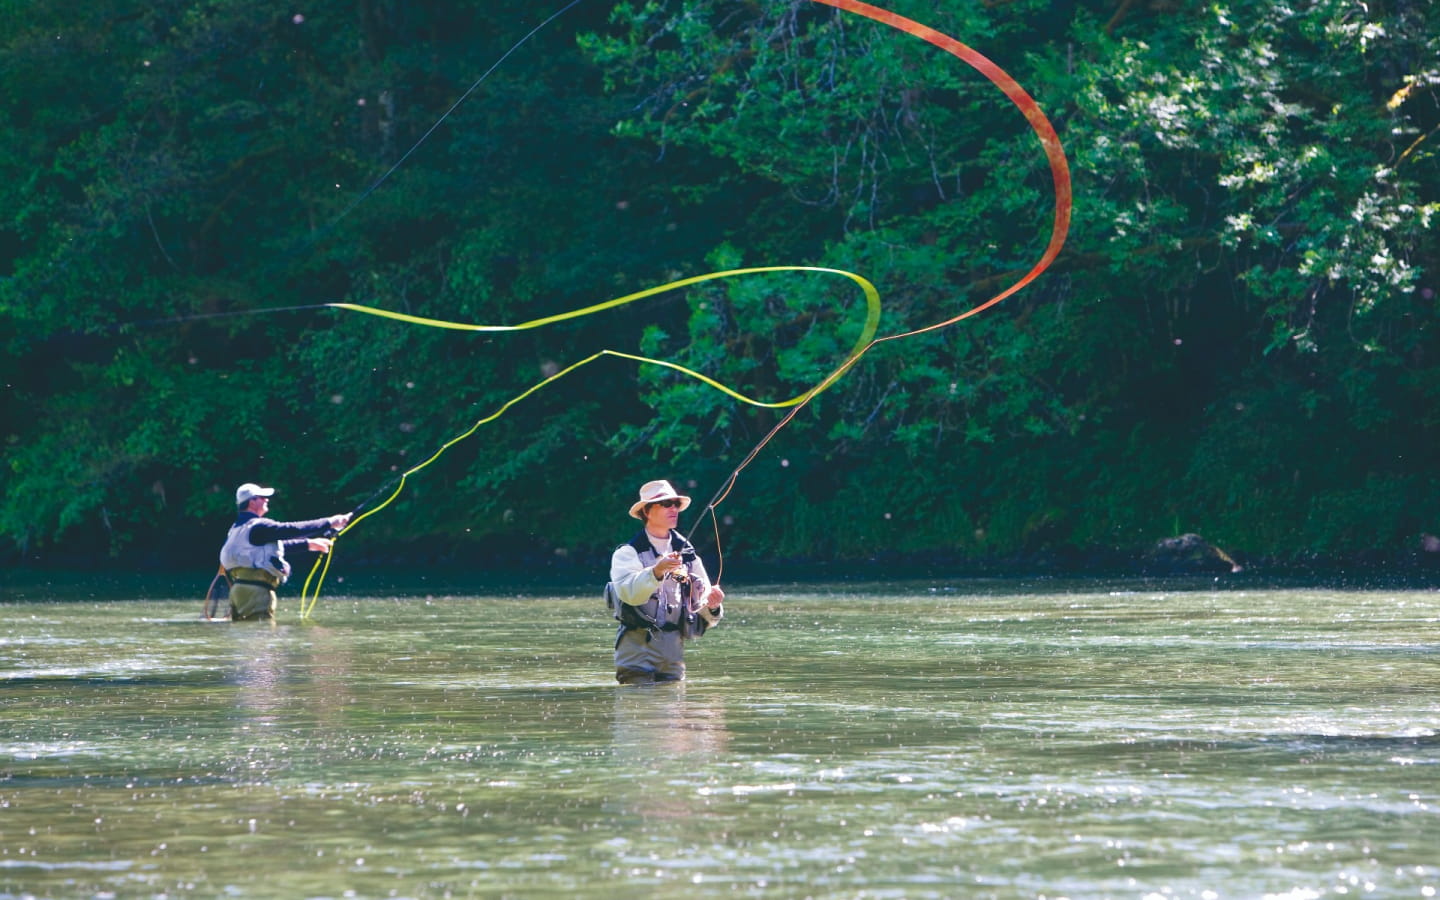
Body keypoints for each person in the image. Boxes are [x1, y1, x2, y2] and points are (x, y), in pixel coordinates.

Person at [607, 479, 725, 684]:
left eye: (676, 504)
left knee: (673, 710)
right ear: (646, 511)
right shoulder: (626, 553)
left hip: (673, 653)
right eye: (666, 504)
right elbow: (629, 594)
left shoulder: (688, 554)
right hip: (636, 651)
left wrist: (714, 606)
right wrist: (656, 572)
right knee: (640, 711)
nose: (674, 509)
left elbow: (704, 609)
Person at [219, 483, 351, 621]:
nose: (267, 499)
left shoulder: (236, 528)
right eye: (262, 497)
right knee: (261, 636)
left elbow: (268, 548)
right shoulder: (260, 526)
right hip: (256, 593)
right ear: (252, 502)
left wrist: (308, 544)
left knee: (245, 635)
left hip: (238, 592)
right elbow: (291, 529)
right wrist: (330, 522)